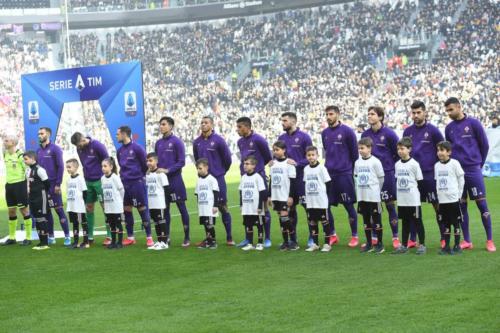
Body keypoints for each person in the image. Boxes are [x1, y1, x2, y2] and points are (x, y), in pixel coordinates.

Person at [444, 97, 495, 252]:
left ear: (459, 107)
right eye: (447, 111)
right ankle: (467, 240)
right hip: (457, 173)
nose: (449, 113)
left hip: (473, 170)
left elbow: (484, 146)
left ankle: (490, 240)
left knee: (482, 205)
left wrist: (478, 164)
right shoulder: (449, 128)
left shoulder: (474, 123)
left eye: (451, 109)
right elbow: (449, 149)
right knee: (461, 206)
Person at [278, 112, 334, 247]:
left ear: (293, 121)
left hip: (302, 179)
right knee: (290, 208)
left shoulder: (304, 137)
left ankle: (313, 238)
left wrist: (296, 163)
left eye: (285, 120)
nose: (282, 123)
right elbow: (279, 155)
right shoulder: (281, 138)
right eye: (282, 120)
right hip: (287, 180)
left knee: (309, 208)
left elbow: (309, 156)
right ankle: (293, 238)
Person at [403, 101, 445, 248]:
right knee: (413, 207)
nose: (415, 115)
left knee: (437, 206)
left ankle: (443, 236)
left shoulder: (433, 131)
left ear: (425, 112)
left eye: (418, 112)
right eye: (413, 113)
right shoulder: (407, 132)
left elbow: (443, 150)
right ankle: (413, 239)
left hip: (429, 176)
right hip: (413, 177)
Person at [361, 107, 401, 249]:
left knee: (390, 205)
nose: (369, 116)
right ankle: (374, 238)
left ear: (381, 117)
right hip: (370, 177)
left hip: (387, 174)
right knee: (371, 208)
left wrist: (390, 166)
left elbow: (398, 152)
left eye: (372, 114)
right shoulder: (365, 134)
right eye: (368, 114)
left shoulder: (389, 134)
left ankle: (395, 237)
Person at [321, 105, 359, 247]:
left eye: (331, 114)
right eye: (327, 114)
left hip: (344, 174)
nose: (328, 117)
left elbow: (354, 154)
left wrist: (350, 170)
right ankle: (332, 234)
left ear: (337, 114)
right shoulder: (324, 133)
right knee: (326, 206)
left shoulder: (347, 131)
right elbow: (327, 151)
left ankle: (354, 235)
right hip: (329, 175)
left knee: (348, 205)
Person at [193, 116, 234, 246]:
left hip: (217, 178)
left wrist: (220, 172)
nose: (203, 124)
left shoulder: (219, 140)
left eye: (206, 123)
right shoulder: (197, 142)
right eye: (202, 122)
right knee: (205, 207)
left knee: (222, 207)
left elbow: (227, 159)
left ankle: (229, 237)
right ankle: (209, 238)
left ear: (212, 124)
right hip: (203, 180)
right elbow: (197, 159)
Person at [236, 116, 273, 247]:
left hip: (259, 177)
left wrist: (261, 172)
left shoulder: (259, 139)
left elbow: (268, 157)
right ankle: (248, 238)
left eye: (240, 127)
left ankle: (267, 238)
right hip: (245, 177)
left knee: (263, 208)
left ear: (247, 126)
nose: (237, 130)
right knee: (247, 207)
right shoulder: (239, 141)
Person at [154, 116, 190, 246]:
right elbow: (155, 161)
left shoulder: (177, 142)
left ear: (170, 126)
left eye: (163, 124)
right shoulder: (158, 143)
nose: (161, 126)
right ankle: (167, 236)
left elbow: (181, 162)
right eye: (160, 124)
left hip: (175, 181)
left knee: (182, 208)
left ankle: (186, 237)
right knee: (165, 210)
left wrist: (168, 170)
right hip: (162, 183)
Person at [116, 126, 153, 247]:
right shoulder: (119, 150)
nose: (117, 136)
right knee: (127, 210)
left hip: (137, 183)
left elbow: (145, 165)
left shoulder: (137, 148)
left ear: (125, 134)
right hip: (124, 184)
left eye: (118, 134)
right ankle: (131, 237)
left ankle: (149, 237)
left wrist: (139, 177)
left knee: (142, 209)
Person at [71, 132, 110, 245]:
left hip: (100, 181)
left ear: (83, 139)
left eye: (79, 145)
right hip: (87, 181)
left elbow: (107, 161)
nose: (78, 148)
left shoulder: (97, 145)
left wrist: (107, 178)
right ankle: (90, 236)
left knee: (105, 207)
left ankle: (109, 235)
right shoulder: (79, 149)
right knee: (88, 208)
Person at [37, 127, 70, 246]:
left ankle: (67, 236)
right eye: (38, 134)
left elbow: (61, 167)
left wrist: (58, 184)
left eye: (42, 133)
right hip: (42, 187)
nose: (39, 135)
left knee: (59, 210)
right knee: (47, 212)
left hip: (53, 185)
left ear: (48, 134)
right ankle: (51, 236)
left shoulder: (55, 149)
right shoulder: (38, 151)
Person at [393, 137, 426, 255]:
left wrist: (420, 198)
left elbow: (420, 182)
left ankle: (422, 245)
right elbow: (397, 180)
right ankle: (404, 246)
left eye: (402, 149)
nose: (400, 151)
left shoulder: (414, 164)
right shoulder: (397, 164)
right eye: (398, 149)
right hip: (402, 200)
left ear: (409, 149)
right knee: (405, 223)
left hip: (413, 200)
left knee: (418, 222)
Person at [354, 138, 385, 254]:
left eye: (362, 148)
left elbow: (381, 178)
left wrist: (377, 191)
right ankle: (369, 243)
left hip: (373, 196)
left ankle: (380, 243)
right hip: (362, 196)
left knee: (376, 220)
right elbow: (356, 177)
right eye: (359, 148)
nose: (360, 150)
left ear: (369, 148)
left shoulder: (375, 161)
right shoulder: (357, 162)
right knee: (366, 220)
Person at [434, 141, 465, 255]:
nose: (439, 153)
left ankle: (457, 246)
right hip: (442, 200)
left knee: (455, 223)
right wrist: (438, 196)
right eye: (438, 150)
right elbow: (437, 182)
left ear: (449, 152)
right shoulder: (436, 165)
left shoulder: (455, 163)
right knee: (445, 224)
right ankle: (446, 246)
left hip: (453, 199)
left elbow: (461, 179)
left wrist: (459, 195)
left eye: (442, 150)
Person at [2, 135, 33, 246]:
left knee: (24, 210)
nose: (4, 142)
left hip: (20, 185)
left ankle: (28, 238)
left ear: (13, 143)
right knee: (11, 211)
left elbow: (28, 170)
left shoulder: (20, 155)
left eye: (6, 140)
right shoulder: (5, 153)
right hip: (9, 185)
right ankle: (12, 237)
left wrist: (29, 185)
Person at [268, 140, 298, 251]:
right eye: (274, 150)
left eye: (277, 149)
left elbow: (293, 182)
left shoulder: (289, 163)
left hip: (285, 196)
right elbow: (271, 181)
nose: (275, 152)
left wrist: (291, 196)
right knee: (281, 219)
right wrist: (269, 196)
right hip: (276, 196)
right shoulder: (273, 164)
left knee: (285, 218)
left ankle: (294, 241)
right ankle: (285, 242)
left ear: (284, 150)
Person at [303, 146, 333, 253]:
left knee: (325, 222)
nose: (311, 157)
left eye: (313, 155)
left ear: (317, 156)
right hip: (311, 202)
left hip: (321, 201)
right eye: (309, 155)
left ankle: (327, 244)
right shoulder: (306, 169)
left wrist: (325, 197)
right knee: (313, 222)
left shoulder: (322, 168)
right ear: (306, 156)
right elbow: (305, 183)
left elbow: (328, 184)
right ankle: (315, 244)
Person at [23, 151, 50, 250]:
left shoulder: (40, 170)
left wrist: (41, 193)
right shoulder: (28, 170)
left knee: (41, 218)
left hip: (40, 197)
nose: (24, 161)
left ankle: (45, 243)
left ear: (33, 159)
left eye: (26, 159)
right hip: (32, 197)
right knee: (37, 219)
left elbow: (47, 184)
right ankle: (41, 241)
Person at [239, 155, 267, 251]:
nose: (245, 166)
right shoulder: (243, 177)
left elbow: (262, 192)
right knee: (248, 225)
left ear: (254, 165)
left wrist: (260, 206)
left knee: (259, 225)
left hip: (256, 207)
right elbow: (241, 192)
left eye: (247, 164)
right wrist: (241, 205)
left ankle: (260, 243)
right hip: (247, 207)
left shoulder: (257, 177)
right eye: (244, 164)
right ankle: (250, 243)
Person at [145, 152, 170, 251]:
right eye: (147, 161)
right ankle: (159, 241)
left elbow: (166, 189)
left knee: (161, 221)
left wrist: (166, 203)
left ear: (156, 161)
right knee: (155, 222)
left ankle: (164, 242)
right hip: (151, 202)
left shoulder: (161, 174)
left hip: (159, 202)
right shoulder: (147, 174)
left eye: (150, 161)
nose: (148, 163)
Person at [194, 158, 219, 250]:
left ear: (206, 167)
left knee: (210, 225)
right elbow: (197, 194)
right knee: (205, 224)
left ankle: (213, 242)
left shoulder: (212, 179)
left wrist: (215, 205)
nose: (198, 170)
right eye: (197, 168)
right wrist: (199, 206)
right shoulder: (199, 180)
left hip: (210, 207)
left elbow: (216, 193)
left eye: (200, 168)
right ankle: (208, 241)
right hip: (202, 207)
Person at [101, 157, 125, 249]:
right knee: (111, 225)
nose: (103, 168)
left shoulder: (115, 177)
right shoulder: (102, 178)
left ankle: (120, 242)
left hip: (116, 206)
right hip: (108, 206)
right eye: (102, 166)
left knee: (118, 224)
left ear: (111, 167)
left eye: (105, 166)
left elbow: (121, 190)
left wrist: (120, 201)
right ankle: (113, 242)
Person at [65, 159, 89, 249]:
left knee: (83, 223)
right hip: (71, 206)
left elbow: (85, 192)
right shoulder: (68, 180)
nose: (68, 169)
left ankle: (86, 242)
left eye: (69, 167)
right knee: (74, 224)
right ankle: (75, 242)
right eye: (67, 167)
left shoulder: (80, 179)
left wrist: (84, 204)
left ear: (76, 167)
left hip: (79, 207)